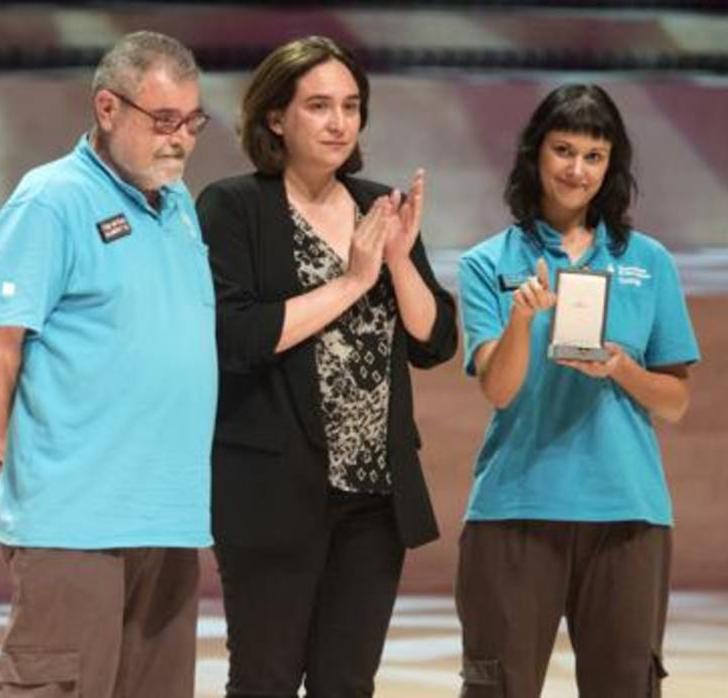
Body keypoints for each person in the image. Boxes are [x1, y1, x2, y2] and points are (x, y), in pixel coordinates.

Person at [195, 36, 457, 698]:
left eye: (350, 105)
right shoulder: (234, 207)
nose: (340, 122)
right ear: (275, 117)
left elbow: (435, 340)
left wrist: (397, 260)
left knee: (348, 682)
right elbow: (238, 336)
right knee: (265, 679)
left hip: (375, 498)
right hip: (270, 492)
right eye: (318, 105)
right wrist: (351, 282)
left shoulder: (379, 206)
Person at [0, 31, 216, 698]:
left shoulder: (179, 205)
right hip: (74, 522)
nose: (181, 140)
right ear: (108, 108)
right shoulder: (53, 199)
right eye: (164, 121)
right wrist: (9, 442)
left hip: (167, 517)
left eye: (192, 122)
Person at [455, 83, 701, 698]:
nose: (577, 169)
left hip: (627, 512)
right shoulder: (489, 262)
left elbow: (675, 401)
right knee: (498, 687)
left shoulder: (650, 261)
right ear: (535, 155)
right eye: (563, 150)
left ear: (611, 164)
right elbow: (500, 391)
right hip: (516, 507)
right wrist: (520, 320)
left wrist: (622, 368)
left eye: (594, 155)